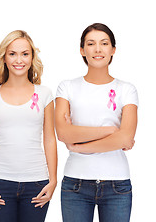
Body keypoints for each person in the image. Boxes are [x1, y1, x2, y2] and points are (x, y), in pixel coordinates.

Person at [55, 23, 137, 222]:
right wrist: (110, 131)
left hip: (117, 184)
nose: (98, 49)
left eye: (104, 43)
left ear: (113, 50)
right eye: (91, 44)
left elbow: (126, 137)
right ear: (82, 50)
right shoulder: (67, 87)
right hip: (76, 184)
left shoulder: (126, 89)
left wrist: (79, 146)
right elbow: (64, 134)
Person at [0, 30, 57, 222]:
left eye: (25, 54)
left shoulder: (45, 94)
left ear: (32, 57)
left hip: (37, 182)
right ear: (4, 58)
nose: (18, 60)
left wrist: (53, 180)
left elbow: (49, 139)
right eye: (12, 54)